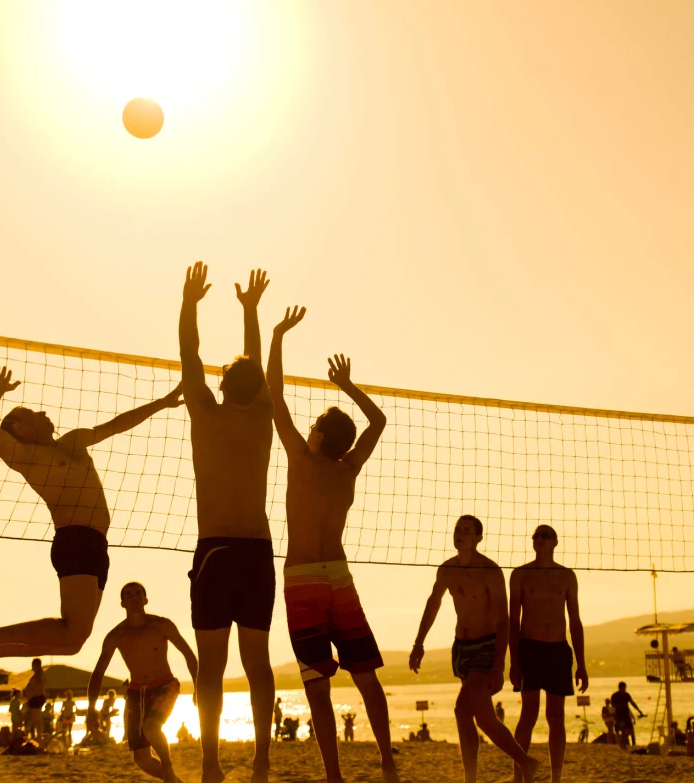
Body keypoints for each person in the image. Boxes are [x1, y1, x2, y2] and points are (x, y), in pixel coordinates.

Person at [0, 366, 183, 680]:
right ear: (20, 427)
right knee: (73, 634)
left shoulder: (72, 442)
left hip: (97, 544)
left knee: (73, 642)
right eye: (31, 412)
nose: (41, 411)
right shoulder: (24, 455)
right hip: (75, 540)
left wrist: (162, 403)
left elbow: (118, 424)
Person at [267, 306, 400, 783]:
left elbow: (273, 393)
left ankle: (335, 777)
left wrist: (278, 335)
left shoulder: (302, 460)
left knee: (318, 687)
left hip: (303, 579)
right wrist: (347, 386)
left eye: (313, 425)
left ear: (319, 434)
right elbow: (379, 421)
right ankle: (387, 762)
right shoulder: (347, 470)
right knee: (366, 678)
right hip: (339, 578)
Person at [179, 263, 275, 783]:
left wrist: (189, 302)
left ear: (221, 385)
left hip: (215, 549)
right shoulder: (262, 418)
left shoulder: (205, 414)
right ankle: (261, 762)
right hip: (256, 550)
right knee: (257, 663)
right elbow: (255, 364)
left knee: (210, 667)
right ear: (255, 387)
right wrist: (251, 310)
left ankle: (212, 765)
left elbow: (189, 355)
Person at [410, 515, 539, 783]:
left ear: (478, 537)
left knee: (461, 710)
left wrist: (499, 664)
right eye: (457, 530)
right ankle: (526, 763)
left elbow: (504, 620)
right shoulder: (447, 569)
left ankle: (470, 778)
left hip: (486, 647)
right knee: (485, 720)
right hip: (461, 649)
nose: (460, 534)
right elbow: (433, 603)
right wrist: (419, 643)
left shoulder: (490, 571)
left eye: (467, 531)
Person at [87, 581, 198, 783]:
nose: (134, 597)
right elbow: (98, 673)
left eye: (138, 593)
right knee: (142, 759)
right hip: (136, 693)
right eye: (128, 595)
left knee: (151, 728)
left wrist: (198, 688)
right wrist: (91, 708)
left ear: (146, 599)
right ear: (122, 603)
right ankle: (174, 780)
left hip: (165, 685)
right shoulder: (116, 636)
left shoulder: (161, 625)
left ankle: (168, 768)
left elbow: (189, 655)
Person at [509, 524, 588, 783]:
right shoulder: (520, 575)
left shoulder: (567, 576)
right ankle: (519, 776)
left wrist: (582, 665)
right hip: (530, 648)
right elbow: (513, 621)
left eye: (545, 536)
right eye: (536, 536)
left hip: (558, 649)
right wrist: (514, 661)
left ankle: (556, 777)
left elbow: (575, 621)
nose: (540, 539)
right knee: (528, 714)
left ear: (555, 542)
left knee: (556, 717)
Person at [610, 681, 644, 747]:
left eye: (625, 688)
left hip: (626, 714)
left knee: (630, 729)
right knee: (623, 729)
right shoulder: (615, 695)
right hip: (619, 715)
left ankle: (624, 741)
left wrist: (639, 711)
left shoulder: (627, 695)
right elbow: (612, 705)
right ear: (620, 688)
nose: (624, 690)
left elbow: (632, 703)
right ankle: (623, 744)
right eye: (623, 688)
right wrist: (614, 715)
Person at [22, 658, 46, 741]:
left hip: (36, 698)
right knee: (33, 718)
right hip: (37, 698)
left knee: (37, 719)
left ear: (36, 665)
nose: (31, 665)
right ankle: (37, 735)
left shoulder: (38, 675)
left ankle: (39, 736)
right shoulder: (39, 674)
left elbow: (36, 688)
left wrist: (30, 696)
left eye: (33, 664)